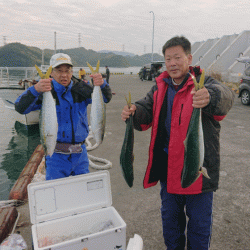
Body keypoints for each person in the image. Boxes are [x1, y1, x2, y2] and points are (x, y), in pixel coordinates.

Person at [121, 36, 234, 250]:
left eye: (177, 57)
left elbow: (226, 98)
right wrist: (133, 111)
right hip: (168, 175)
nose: (172, 63)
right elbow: (145, 110)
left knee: (199, 233)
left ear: (189, 58)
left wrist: (210, 97)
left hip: (199, 178)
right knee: (171, 231)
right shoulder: (159, 88)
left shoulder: (206, 84)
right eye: (168, 59)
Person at [15, 53, 112, 180]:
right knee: (57, 195)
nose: (64, 75)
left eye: (67, 71)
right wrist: (35, 89)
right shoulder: (44, 91)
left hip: (80, 155)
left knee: (81, 191)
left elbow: (105, 98)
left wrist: (102, 84)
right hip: (56, 157)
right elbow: (20, 108)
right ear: (51, 73)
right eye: (59, 71)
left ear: (72, 72)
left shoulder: (82, 89)